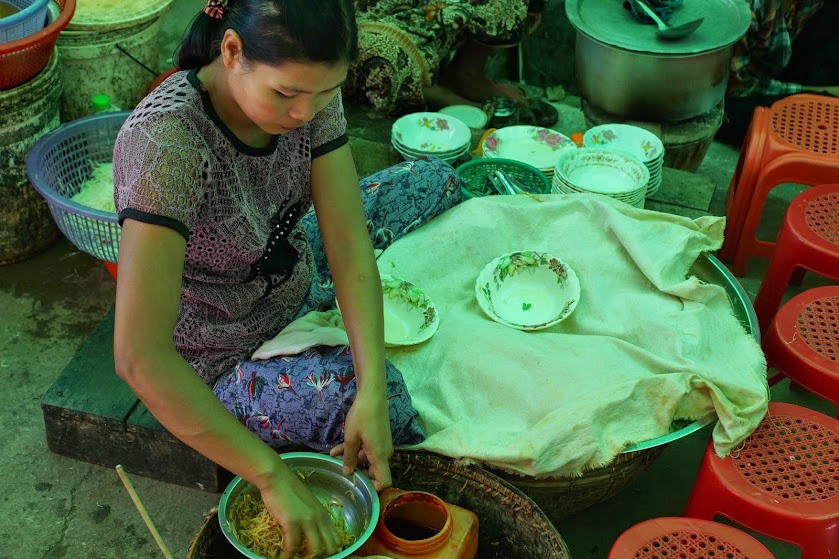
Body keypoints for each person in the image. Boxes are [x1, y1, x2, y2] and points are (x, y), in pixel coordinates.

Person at [112, 1, 459, 557]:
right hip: (219, 351)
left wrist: (368, 380)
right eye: (286, 95)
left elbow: (346, 244)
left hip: (293, 269)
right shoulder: (165, 143)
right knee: (387, 409)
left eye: (325, 94)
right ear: (231, 52)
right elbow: (138, 357)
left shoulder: (310, 92)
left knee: (433, 180)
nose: (306, 113)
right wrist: (271, 476)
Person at [344, 0, 554, 119]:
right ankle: (434, 94)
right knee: (382, 54)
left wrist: (533, 4)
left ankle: (468, 75)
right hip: (362, 15)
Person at [717, 0, 839, 144]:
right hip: (728, 99)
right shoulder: (743, 8)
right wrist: (818, 94)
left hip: (777, 73)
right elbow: (736, 90)